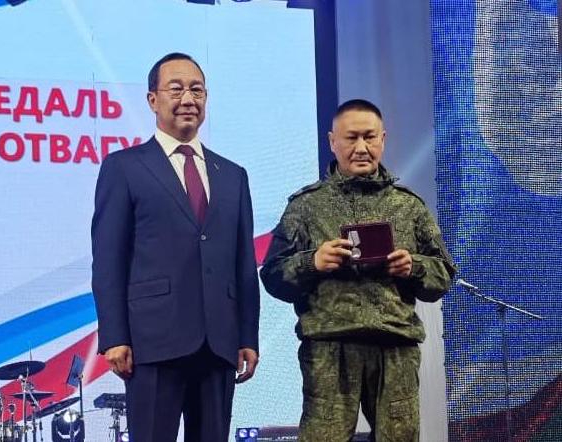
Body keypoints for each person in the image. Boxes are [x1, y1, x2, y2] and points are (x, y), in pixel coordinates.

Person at [260, 99, 456, 442]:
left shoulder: (408, 206)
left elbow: (443, 275)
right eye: (351, 138)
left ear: (383, 139)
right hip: (330, 349)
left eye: (369, 137)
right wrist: (312, 262)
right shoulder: (306, 207)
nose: (361, 147)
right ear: (332, 141)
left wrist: (413, 266)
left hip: (394, 347)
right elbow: (273, 275)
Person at [91, 52, 260, 442]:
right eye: (176, 88)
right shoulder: (124, 167)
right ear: (153, 100)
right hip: (152, 342)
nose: (188, 98)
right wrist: (114, 335)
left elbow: (243, 264)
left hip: (219, 344)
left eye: (197, 90)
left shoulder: (232, 175)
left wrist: (247, 335)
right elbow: (109, 260)